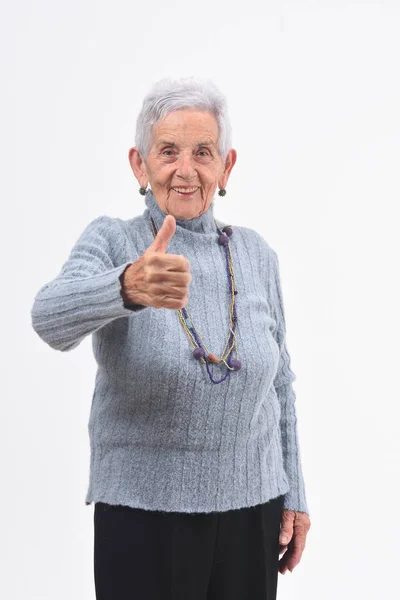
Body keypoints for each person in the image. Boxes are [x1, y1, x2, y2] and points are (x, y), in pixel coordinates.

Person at [31, 76, 311, 600]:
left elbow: (281, 386)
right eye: (168, 152)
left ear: (226, 167)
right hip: (143, 515)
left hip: (253, 512)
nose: (186, 169)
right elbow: (48, 318)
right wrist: (125, 286)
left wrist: (294, 491)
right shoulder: (115, 240)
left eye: (204, 152)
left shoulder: (256, 255)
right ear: (140, 164)